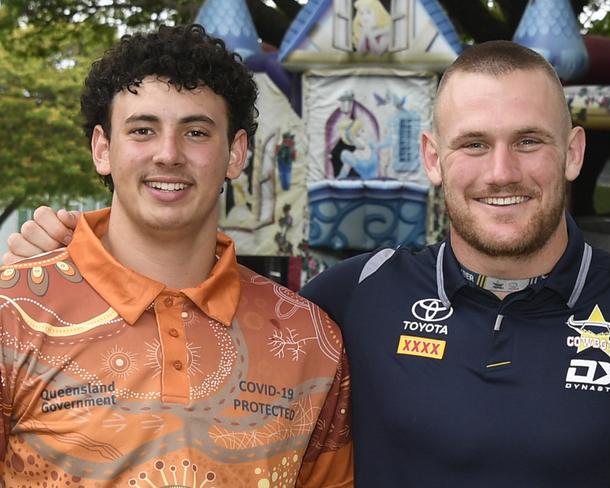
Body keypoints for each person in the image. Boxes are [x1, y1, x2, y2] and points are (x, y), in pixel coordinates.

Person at [6, 40, 610, 488]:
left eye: (529, 142)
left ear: (572, 152)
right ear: (432, 158)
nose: (501, 171)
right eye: (473, 144)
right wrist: (50, 269)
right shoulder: (351, 299)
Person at [0, 24, 352, 486]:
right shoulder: (12, 314)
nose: (168, 154)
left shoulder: (310, 339)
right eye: (143, 130)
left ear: (235, 153)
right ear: (103, 149)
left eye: (197, 132)